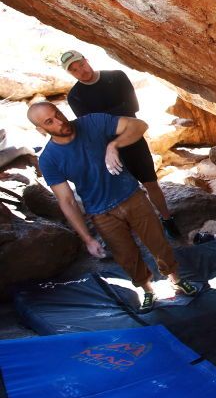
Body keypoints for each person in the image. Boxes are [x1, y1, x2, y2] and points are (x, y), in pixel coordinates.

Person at [27, 101, 197, 313]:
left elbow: (139, 125)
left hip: (131, 196)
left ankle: (176, 279)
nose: (60, 121)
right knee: (126, 255)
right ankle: (147, 290)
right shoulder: (49, 159)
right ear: (41, 129)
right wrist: (87, 239)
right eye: (50, 121)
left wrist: (113, 145)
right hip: (101, 212)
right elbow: (66, 200)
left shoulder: (92, 122)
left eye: (58, 113)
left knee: (157, 242)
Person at [59, 50, 181, 239]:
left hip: (133, 139)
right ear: (71, 74)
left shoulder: (116, 77)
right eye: (74, 70)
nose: (81, 71)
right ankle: (144, 228)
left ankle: (167, 219)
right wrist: (115, 116)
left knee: (150, 182)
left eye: (81, 64)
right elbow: (91, 125)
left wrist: (104, 119)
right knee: (127, 192)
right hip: (106, 148)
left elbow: (132, 107)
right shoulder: (75, 96)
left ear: (86, 60)